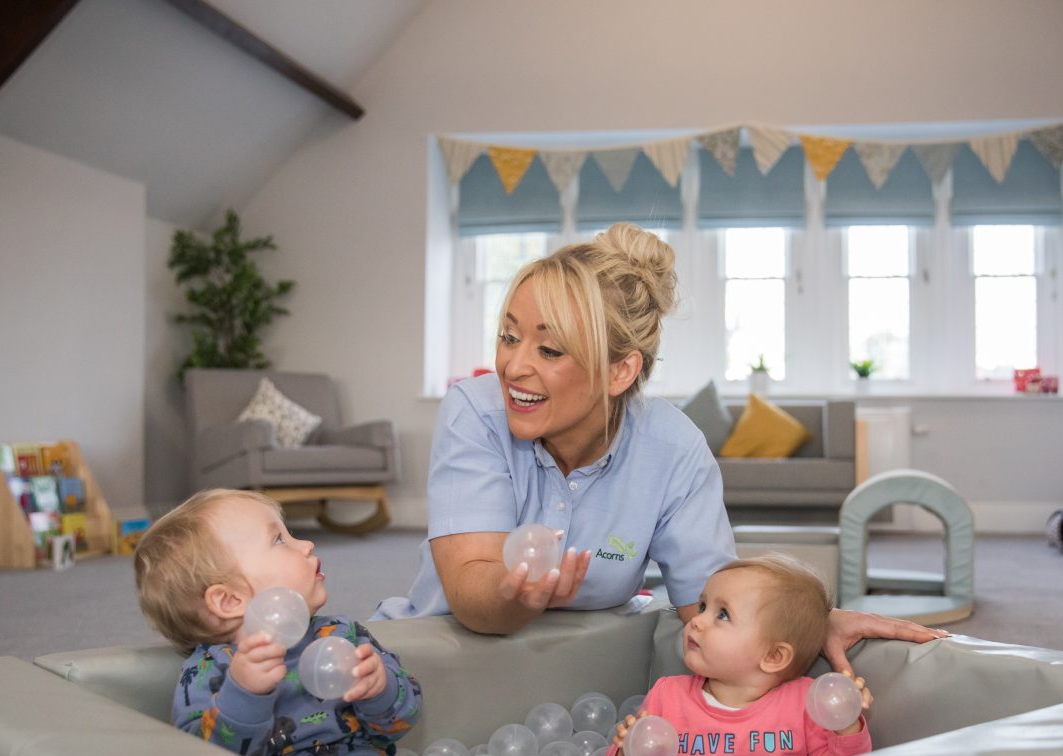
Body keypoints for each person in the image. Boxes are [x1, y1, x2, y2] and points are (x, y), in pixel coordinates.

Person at [376, 221, 942, 676]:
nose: (513, 366)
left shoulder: (673, 448)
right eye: (508, 335)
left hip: (576, 681)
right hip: (433, 666)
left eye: (548, 349)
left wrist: (811, 625)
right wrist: (514, 596)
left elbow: (711, 601)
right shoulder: (474, 412)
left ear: (621, 371)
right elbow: (471, 588)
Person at [135, 489, 421, 756]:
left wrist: (379, 688)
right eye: (279, 540)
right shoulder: (208, 673)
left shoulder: (341, 636)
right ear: (230, 600)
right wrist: (244, 693)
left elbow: (400, 723)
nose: (306, 544)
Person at [606, 555, 870, 756]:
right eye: (702, 606)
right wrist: (629, 754)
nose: (696, 621)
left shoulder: (805, 701)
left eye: (722, 614)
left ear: (774, 656)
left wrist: (846, 723)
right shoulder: (668, 696)